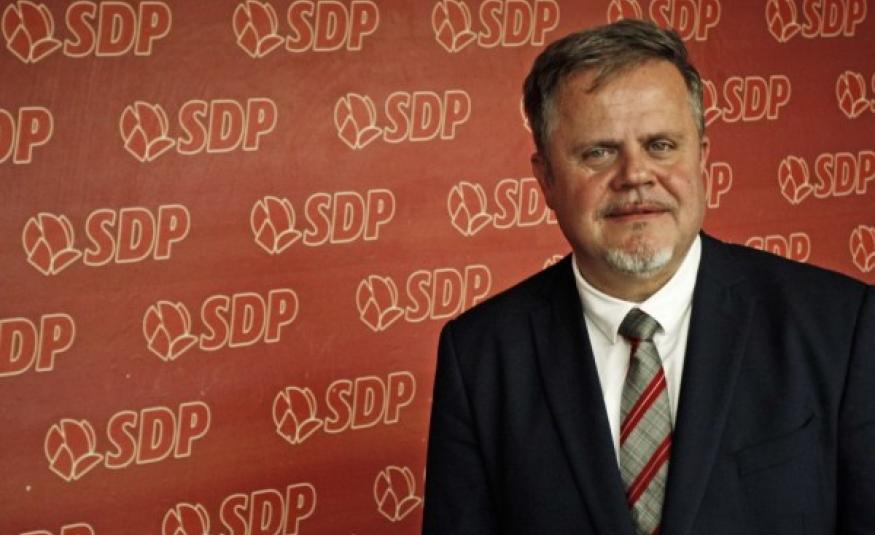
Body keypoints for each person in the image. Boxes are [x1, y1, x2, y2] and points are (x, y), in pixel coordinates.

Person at [422, 19, 874, 535]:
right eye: (598, 152)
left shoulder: (842, 328)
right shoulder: (479, 356)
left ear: (702, 159)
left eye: (660, 145)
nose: (635, 174)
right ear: (545, 179)